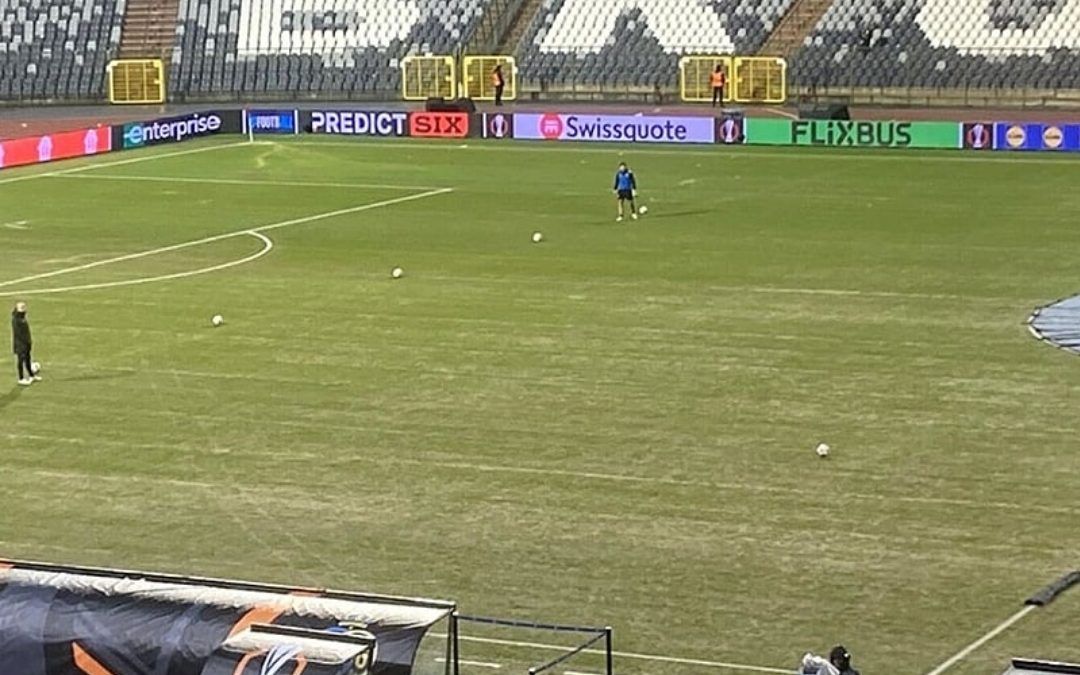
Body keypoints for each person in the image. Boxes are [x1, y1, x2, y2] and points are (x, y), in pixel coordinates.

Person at [11, 301, 38, 386]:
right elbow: (19, 334)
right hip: (20, 344)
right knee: (21, 360)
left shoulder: (21, 318)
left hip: (26, 343)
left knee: (27, 358)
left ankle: (31, 375)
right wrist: (26, 342)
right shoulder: (16, 320)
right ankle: (21, 378)